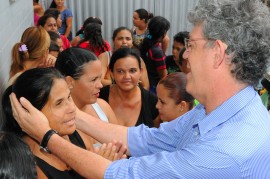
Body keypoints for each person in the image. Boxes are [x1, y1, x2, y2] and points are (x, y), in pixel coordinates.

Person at [10, 0, 270, 178]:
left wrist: (47, 136)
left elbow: (120, 175)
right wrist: (69, 113)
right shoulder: (214, 111)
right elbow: (148, 139)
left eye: (192, 44)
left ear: (218, 54)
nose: (186, 55)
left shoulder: (227, 152)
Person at [3, 68, 125, 178]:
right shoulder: (30, 165)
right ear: (31, 113)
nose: (72, 108)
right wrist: (100, 171)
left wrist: (101, 165)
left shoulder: (73, 133)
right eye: (59, 103)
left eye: (69, 97)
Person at [55, 47, 118, 126]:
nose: (100, 85)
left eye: (99, 78)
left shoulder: (103, 107)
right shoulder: (59, 120)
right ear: (69, 82)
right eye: (93, 80)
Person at [99, 47, 159, 127]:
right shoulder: (99, 97)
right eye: (120, 71)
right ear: (112, 73)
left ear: (140, 72)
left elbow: (156, 135)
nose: (127, 76)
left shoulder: (152, 102)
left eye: (132, 71)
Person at [140, 16, 170, 94]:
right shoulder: (157, 51)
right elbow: (163, 76)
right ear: (163, 33)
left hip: (146, 81)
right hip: (155, 87)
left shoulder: (146, 41)